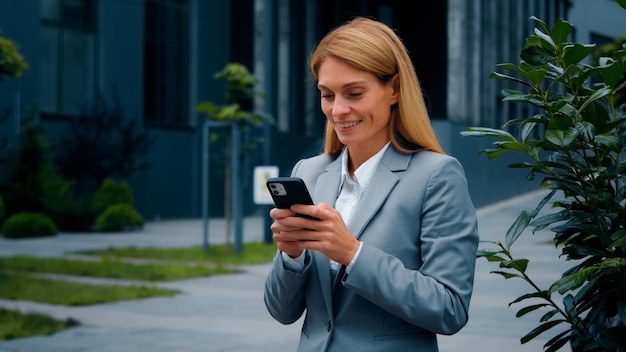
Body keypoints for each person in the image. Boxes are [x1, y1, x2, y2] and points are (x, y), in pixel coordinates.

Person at [264, 16, 479, 352]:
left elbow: (449, 308)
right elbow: (281, 311)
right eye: (327, 94)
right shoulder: (309, 172)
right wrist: (291, 256)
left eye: (354, 93)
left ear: (393, 89)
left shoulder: (437, 176)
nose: (338, 110)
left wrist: (353, 254)